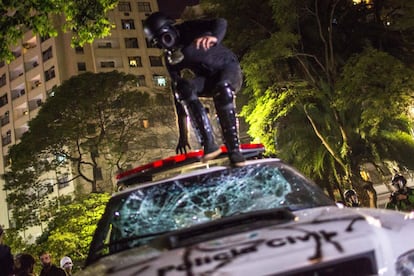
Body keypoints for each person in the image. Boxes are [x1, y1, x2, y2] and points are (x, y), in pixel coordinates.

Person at [143, 12, 246, 166]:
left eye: (166, 36)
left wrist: (214, 37)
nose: (166, 44)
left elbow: (221, 21)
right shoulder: (172, 59)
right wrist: (183, 135)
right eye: (159, 43)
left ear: (171, 28)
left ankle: (235, 151)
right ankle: (209, 144)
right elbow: (179, 99)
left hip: (228, 70)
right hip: (207, 81)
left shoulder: (188, 29)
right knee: (183, 88)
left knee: (222, 88)